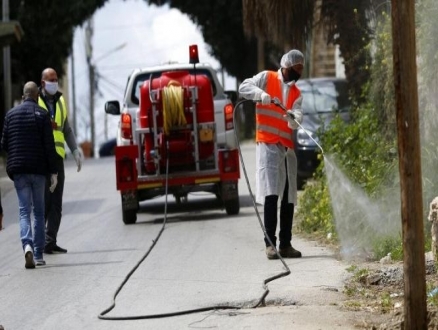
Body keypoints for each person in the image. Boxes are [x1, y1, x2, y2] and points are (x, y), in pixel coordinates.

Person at [238, 49, 305, 260]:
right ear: (286, 66)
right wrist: (261, 95)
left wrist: (293, 118)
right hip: (267, 145)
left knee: (288, 197)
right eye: (296, 68)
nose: (298, 73)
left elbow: (297, 120)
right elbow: (243, 87)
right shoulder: (266, 78)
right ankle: (270, 245)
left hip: (286, 149)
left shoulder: (297, 94)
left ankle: (286, 244)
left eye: (301, 69)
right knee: (271, 194)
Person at [1, 81, 59, 268]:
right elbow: (50, 147)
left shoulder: (10, 115)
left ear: (23, 94)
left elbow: (3, 144)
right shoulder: (42, 115)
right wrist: (54, 172)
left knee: (24, 211)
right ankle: (39, 254)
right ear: (36, 96)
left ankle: (27, 245)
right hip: (38, 171)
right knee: (39, 212)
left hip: (19, 171)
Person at [38, 68, 82, 254]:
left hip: (57, 158)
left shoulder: (61, 101)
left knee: (56, 203)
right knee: (44, 202)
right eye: (51, 80)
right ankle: (39, 241)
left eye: (56, 80)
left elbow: (66, 129)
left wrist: (75, 150)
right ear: (42, 83)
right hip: (41, 160)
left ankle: (50, 240)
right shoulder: (36, 101)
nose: (54, 83)